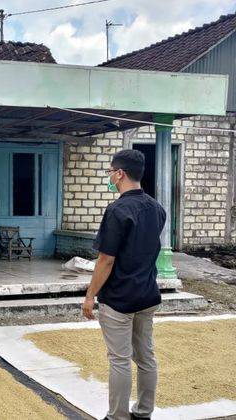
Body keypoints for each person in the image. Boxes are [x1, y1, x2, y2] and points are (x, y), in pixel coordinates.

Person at [82, 150, 166, 420]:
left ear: (120, 173)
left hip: (119, 298)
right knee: (145, 357)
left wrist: (89, 295)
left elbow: (106, 260)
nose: (109, 176)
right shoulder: (157, 208)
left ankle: (117, 416)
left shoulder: (117, 209)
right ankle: (143, 412)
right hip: (147, 295)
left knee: (119, 360)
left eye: (110, 172)